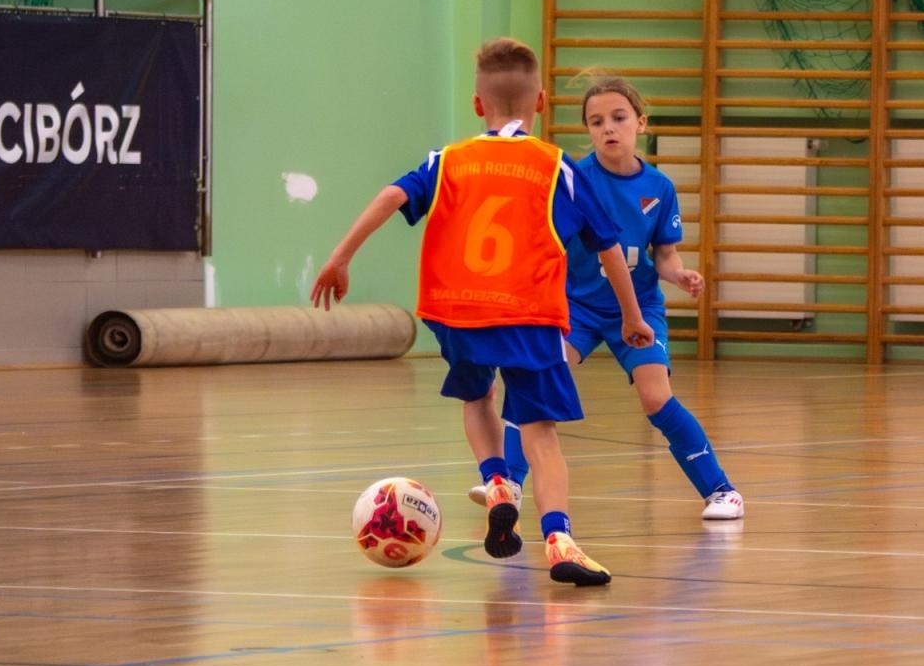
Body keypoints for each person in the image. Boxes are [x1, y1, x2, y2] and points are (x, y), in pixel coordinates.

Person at [311, 38, 652, 586]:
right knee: (540, 433)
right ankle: (560, 542)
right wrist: (633, 317)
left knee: (476, 397)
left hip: (455, 312)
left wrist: (339, 258)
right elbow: (609, 248)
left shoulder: (447, 160)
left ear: (477, 105)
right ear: (541, 102)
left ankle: (496, 481)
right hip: (528, 313)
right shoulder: (557, 168)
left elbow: (391, 197)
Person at [473, 76, 745, 521]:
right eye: (596, 122)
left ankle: (722, 490)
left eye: (618, 118)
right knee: (534, 381)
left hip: (637, 310)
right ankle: (509, 486)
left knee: (655, 399)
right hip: (576, 308)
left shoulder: (659, 188)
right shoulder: (573, 179)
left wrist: (680, 276)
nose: (608, 129)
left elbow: (665, 256)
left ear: (640, 122)